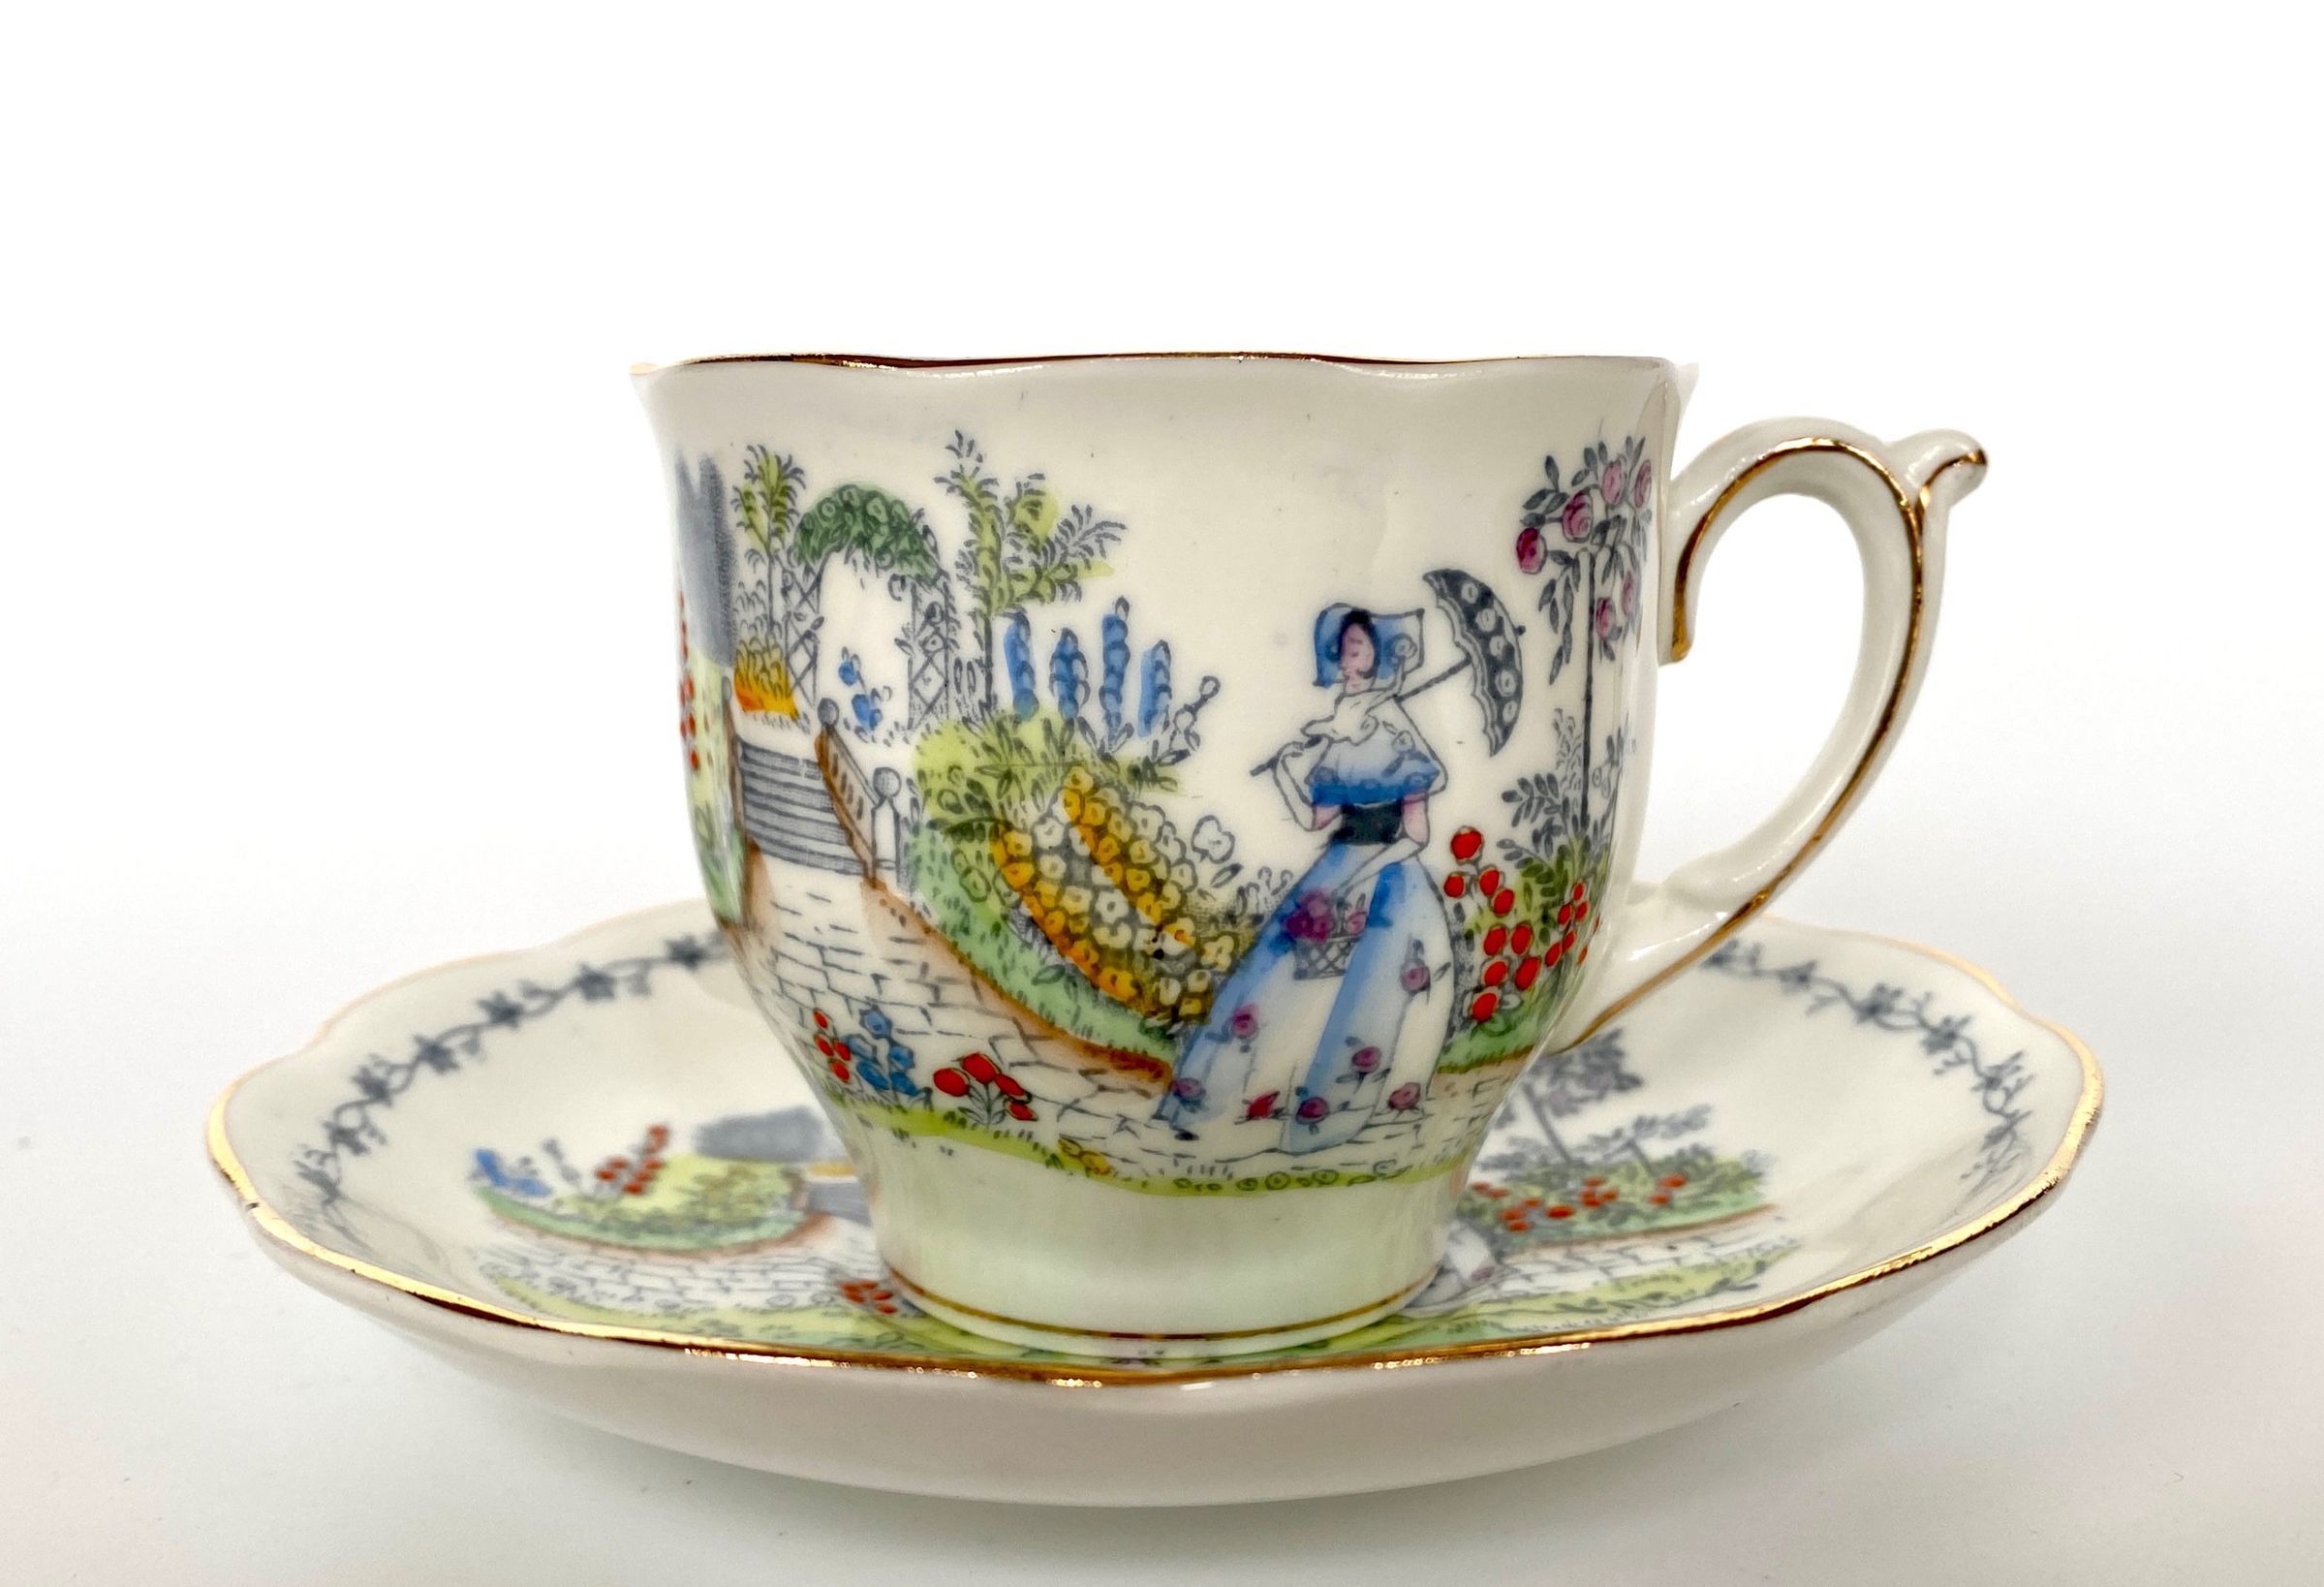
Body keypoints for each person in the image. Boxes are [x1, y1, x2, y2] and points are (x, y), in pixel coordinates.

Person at [1156, 607, 1454, 1153]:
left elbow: (1416, 837)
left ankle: (1324, 1119)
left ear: (1379, 656)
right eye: (1343, 651)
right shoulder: (1343, 728)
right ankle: (1218, 1107)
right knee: (1273, 982)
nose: (1348, 661)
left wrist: (1361, 877)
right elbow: (1317, 822)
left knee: (1368, 995)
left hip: (1389, 880)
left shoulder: (1398, 732)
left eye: (1359, 649)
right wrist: (1284, 775)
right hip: (1334, 867)